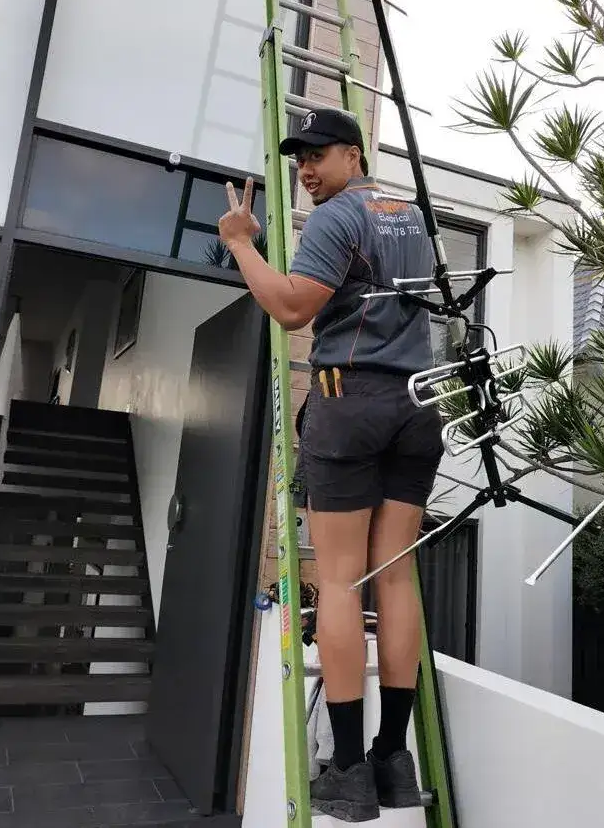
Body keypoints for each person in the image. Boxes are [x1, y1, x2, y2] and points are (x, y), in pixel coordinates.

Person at [219, 107, 443, 823]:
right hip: (417, 405)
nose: (307, 171)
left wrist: (240, 245)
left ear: (354, 154)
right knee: (397, 575)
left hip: (352, 406)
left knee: (341, 581)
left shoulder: (338, 220)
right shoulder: (411, 214)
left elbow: (290, 309)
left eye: (318, 155)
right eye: (299, 161)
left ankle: (348, 771)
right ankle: (394, 760)